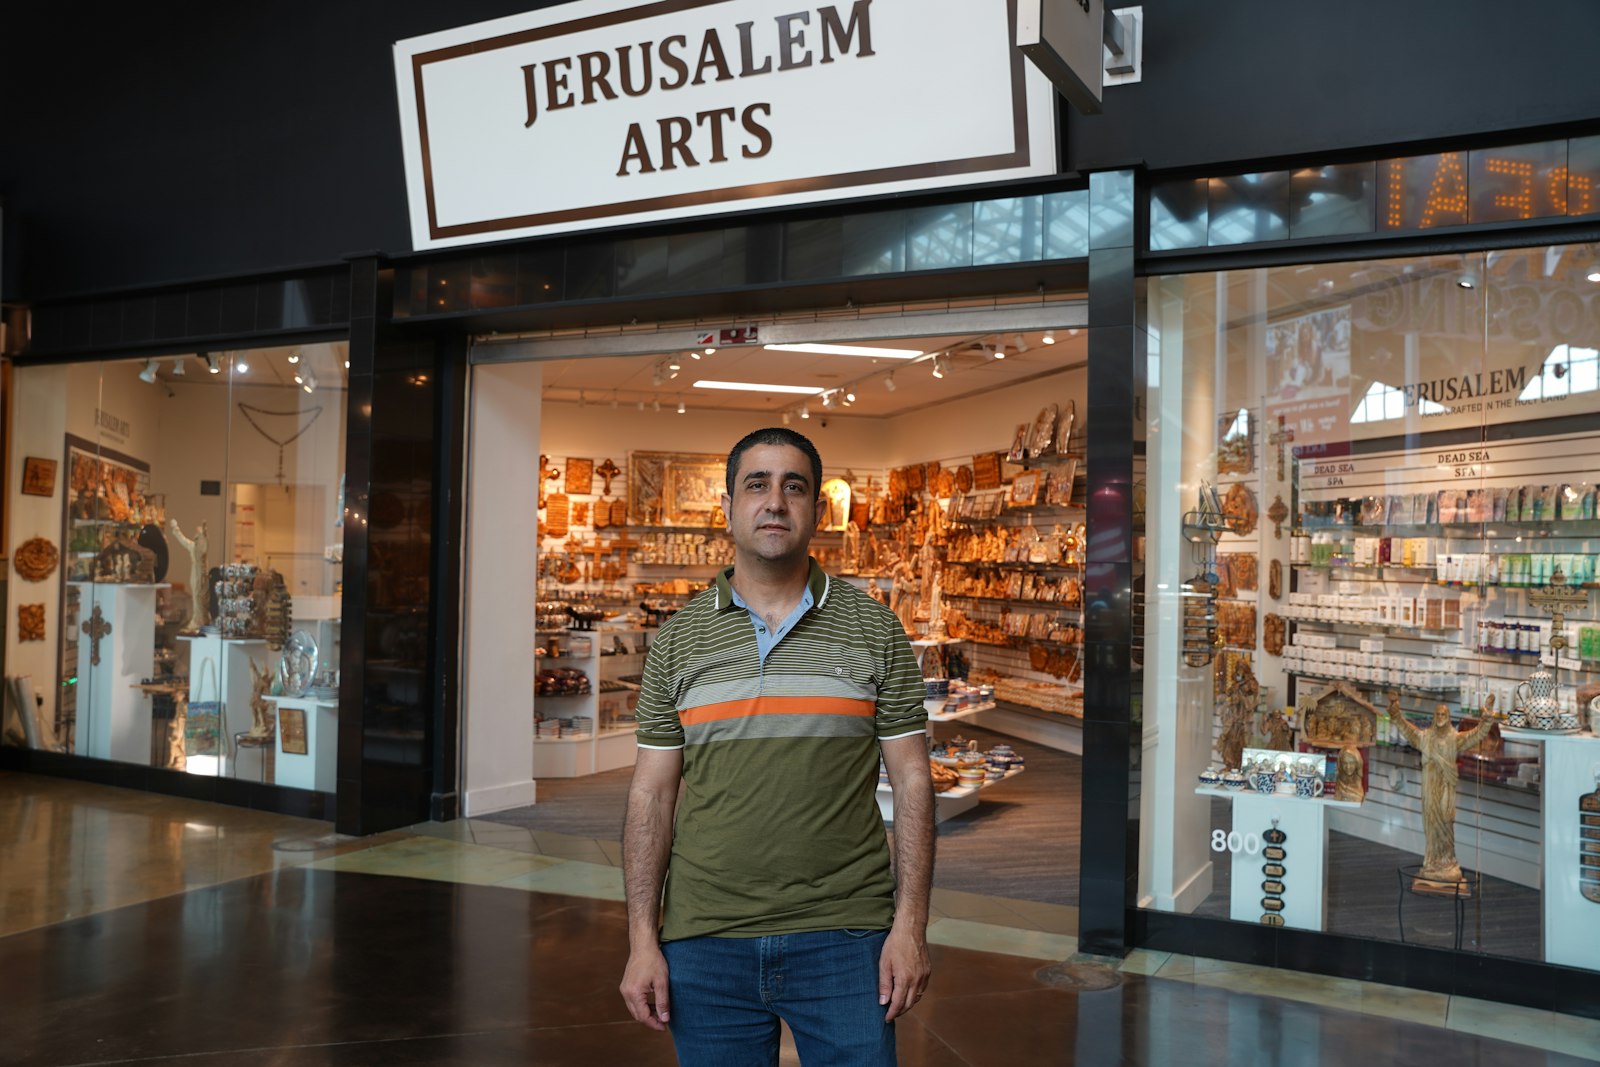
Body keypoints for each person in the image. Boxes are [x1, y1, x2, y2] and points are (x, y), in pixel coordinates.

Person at [619, 427, 934, 1065]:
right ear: (730, 507)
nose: (775, 502)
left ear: (817, 508)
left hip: (847, 939)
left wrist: (910, 928)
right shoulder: (679, 640)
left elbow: (913, 782)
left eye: (794, 486)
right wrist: (640, 940)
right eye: (756, 484)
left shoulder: (874, 628)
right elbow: (651, 794)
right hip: (705, 938)